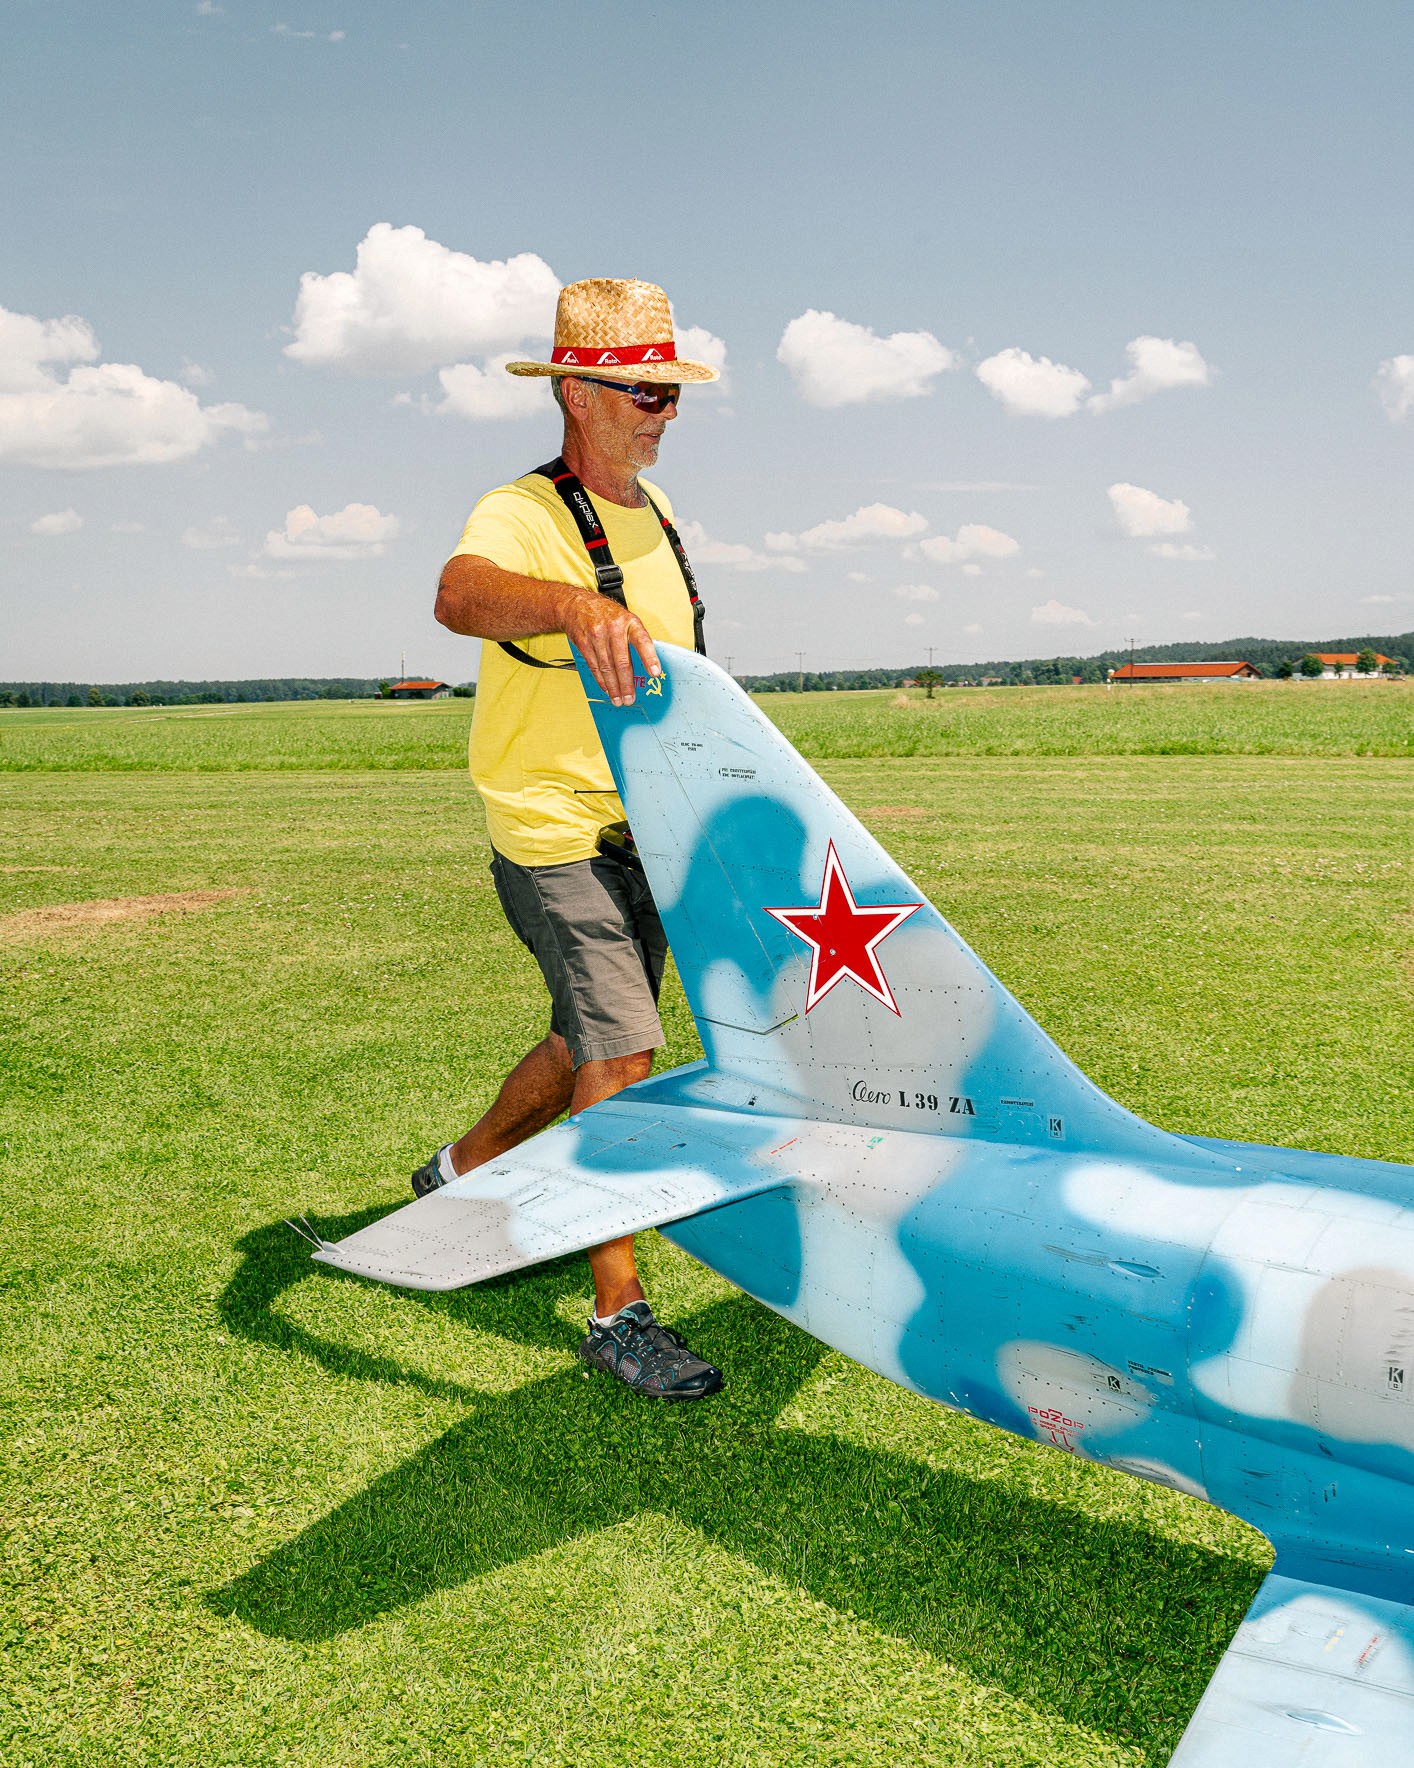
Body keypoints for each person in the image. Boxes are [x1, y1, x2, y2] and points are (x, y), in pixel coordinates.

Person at [420, 277, 724, 1401]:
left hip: (646, 825)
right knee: (624, 1053)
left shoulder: (661, 516)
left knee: (582, 1040)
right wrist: (572, 606)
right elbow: (460, 595)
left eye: (673, 394)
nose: (664, 413)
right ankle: (617, 1310)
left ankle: (460, 1168)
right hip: (550, 828)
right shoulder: (522, 512)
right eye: (646, 392)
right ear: (576, 391)